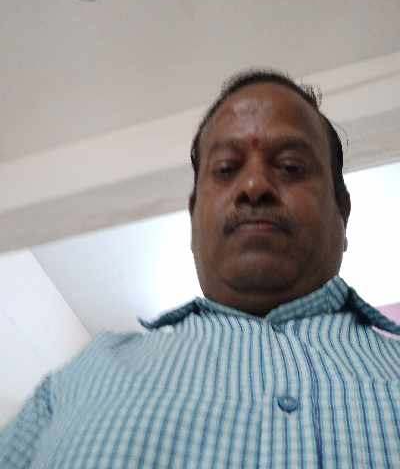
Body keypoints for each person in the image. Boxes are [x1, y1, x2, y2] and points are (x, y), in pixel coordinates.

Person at [1, 69, 400, 468]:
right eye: (226, 168)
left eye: (292, 166)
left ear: (342, 210)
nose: (254, 186)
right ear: (193, 216)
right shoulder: (77, 381)